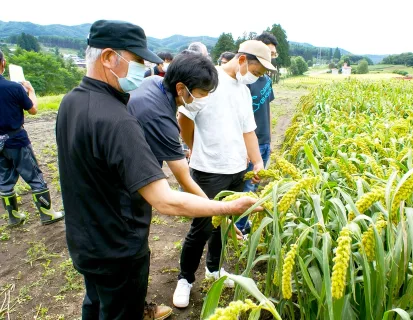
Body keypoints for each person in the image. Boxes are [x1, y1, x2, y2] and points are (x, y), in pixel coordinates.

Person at [55, 20, 260, 320]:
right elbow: (165, 199)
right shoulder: (119, 122)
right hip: (118, 247)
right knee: (120, 311)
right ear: (110, 58)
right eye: (137, 60)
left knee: (96, 303)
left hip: (84, 239)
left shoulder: (70, 102)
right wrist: (225, 207)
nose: (143, 68)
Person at [175, 40, 276, 308]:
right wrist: (194, 147)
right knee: (202, 226)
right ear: (242, 60)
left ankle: (214, 269)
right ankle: (185, 279)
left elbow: (248, 131)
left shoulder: (243, 90)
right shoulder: (209, 81)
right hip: (209, 170)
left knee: (223, 224)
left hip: (235, 170)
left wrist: (256, 162)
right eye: (258, 69)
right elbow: (184, 117)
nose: (259, 75)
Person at [0, 49, 64, 227]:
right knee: (34, 175)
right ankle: (47, 213)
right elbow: (33, 110)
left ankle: (13, 217)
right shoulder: (14, 88)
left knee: (4, 179)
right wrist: (31, 90)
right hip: (16, 140)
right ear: (3, 64)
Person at [236, 32, 279, 234]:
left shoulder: (265, 80)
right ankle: (238, 229)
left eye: (274, 54)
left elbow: (266, 111)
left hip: (262, 141)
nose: (272, 56)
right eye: (269, 52)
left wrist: (269, 139)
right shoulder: (243, 80)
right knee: (245, 189)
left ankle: (241, 225)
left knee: (253, 186)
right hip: (246, 144)